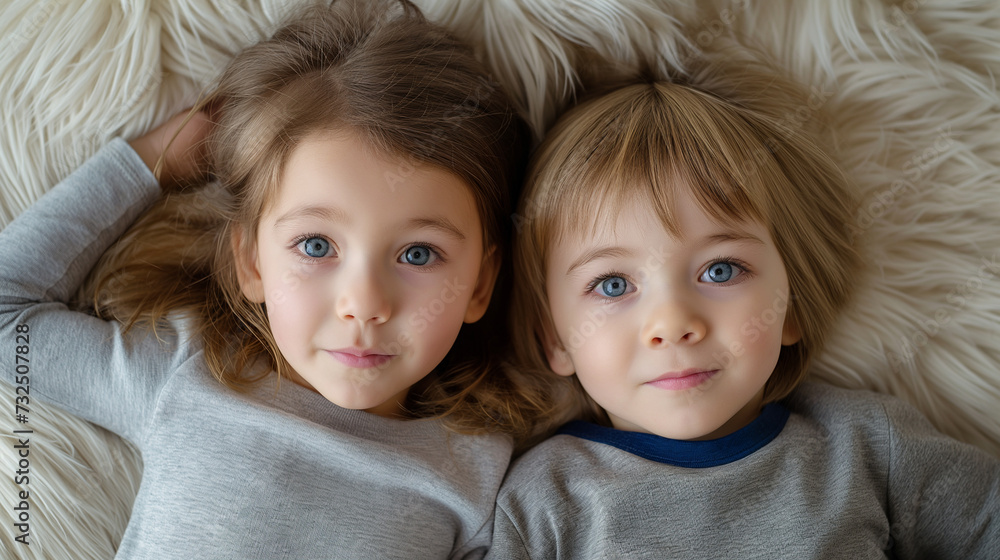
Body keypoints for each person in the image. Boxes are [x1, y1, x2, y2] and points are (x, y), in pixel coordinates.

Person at [0, 1, 531, 557]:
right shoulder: (188, 381)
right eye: (316, 245)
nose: (364, 304)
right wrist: (158, 158)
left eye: (419, 254)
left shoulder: (479, 471)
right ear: (252, 262)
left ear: (479, 284)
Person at [487, 76, 1000, 559]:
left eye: (721, 270)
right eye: (613, 285)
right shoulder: (543, 501)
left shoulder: (867, 446)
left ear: (792, 303)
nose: (671, 323)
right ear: (554, 336)